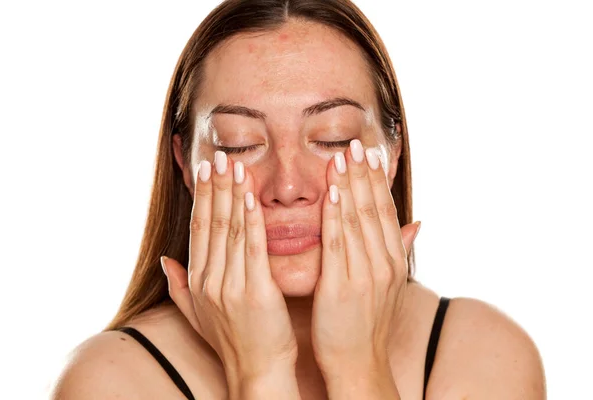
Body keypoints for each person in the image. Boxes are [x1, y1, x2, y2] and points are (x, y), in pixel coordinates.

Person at [51, 0, 546, 398]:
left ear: (392, 152)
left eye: (332, 138)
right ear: (185, 164)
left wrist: (358, 369)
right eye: (238, 144)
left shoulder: (484, 354)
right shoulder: (109, 381)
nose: (288, 187)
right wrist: (260, 374)